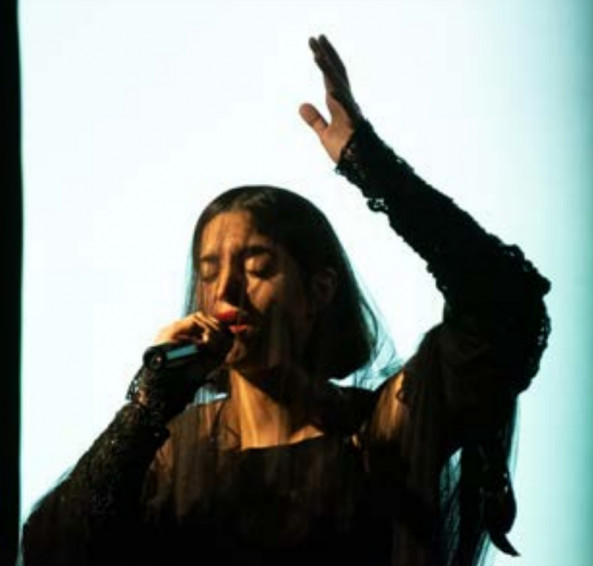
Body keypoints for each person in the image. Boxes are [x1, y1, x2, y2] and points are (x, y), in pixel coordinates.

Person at [19, 35, 551, 566]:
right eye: (209, 271)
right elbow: (49, 548)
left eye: (256, 267)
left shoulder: (379, 431)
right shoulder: (171, 452)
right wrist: (147, 405)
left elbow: (504, 302)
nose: (226, 291)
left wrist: (370, 163)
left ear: (319, 289)